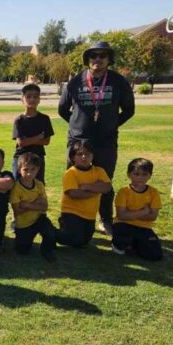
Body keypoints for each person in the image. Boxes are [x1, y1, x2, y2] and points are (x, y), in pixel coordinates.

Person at [58, 41, 135, 236]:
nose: (97, 60)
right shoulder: (75, 82)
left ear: (108, 59)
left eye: (102, 56)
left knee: (104, 181)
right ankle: (70, 218)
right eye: (93, 56)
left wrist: (109, 125)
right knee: (73, 179)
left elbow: (129, 110)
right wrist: (78, 125)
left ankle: (105, 219)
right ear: (87, 60)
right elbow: (62, 109)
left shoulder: (118, 81)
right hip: (78, 141)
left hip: (105, 142)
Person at [56, 141, 112, 248]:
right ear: (73, 157)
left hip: (89, 215)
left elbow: (107, 187)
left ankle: (70, 231)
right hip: (72, 212)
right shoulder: (71, 173)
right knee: (75, 240)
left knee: (84, 241)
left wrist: (88, 187)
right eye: (79, 154)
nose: (84, 157)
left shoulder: (99, 171)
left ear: (92, 156)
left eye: (87, 154)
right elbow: (74, 193)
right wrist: (97, 189)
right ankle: (51, 232)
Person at [111, 158, 163, 261]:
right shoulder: (124, 191)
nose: (140, 178)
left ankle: (135, 245)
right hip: (123, 225)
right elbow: (121, 216)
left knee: (156, 255)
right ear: (129, 175)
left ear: (150, 175)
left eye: (144, 174)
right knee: (122, 238)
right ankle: (119, 244)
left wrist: (130, 214)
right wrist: (143, 212)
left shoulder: (153, 192)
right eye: (136, 174)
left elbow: (153, 216)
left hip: (144, 228)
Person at [10, 152, 56, 261]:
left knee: (50, 232)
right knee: (22, 250)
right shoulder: (16, 188)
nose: (29, 173)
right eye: (26, 169)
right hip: (23, 224)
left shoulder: (39, 185)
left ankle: (47, 251)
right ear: (19, 169)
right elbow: (17, 211)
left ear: (38, 170)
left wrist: (26, 204)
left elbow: (44, 207)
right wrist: (36, 203)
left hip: (39, 219)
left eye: (33, 169)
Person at [11, 83, 54, 183]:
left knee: (38, 185)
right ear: (22, 99)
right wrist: (39, 137)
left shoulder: (44, 119)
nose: (32, 99)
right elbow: (21, 143)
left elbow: (46, 141)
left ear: (39, 99)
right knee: (18, 185)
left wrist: (28, 140)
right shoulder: (19, 120)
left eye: (35, 97)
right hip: (21, 157)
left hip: (38, 157)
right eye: (28, 96)